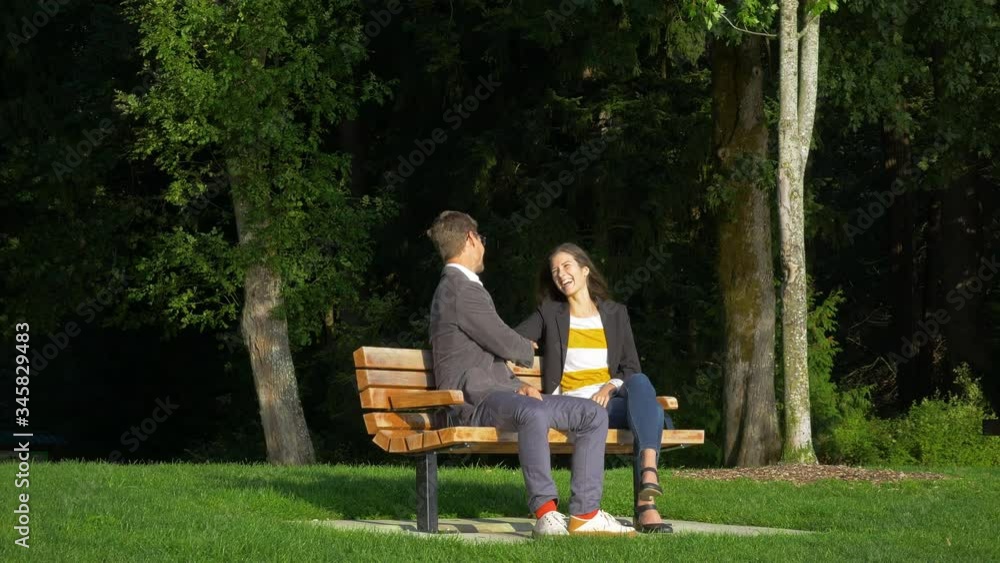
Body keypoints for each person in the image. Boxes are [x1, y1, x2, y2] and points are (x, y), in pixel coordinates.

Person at [426, 211, 635, 538]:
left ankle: (585, 514)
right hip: (470, 402)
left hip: (497, 395)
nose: (483, 246)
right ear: (470, 239)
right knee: (533, 411)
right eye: (481, 239)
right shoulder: (458, 288)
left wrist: (519, 385)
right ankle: (546, 513)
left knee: (592, 414)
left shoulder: (464, 287)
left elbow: (488, 355)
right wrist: (525, 347)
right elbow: (502, 341)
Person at [515, 242, 673, 534]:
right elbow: (511, 340)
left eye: (566, 266)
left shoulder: (615, 314)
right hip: (572, 407)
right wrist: (521, 351)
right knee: (654, 412)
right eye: (555, 271)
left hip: (608, 404)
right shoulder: (550, 313)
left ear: (585, 269)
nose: (560, 274)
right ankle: (646, 504)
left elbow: (631, 367)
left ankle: (648, 474)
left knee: (640, 383)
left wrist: (609, 387)